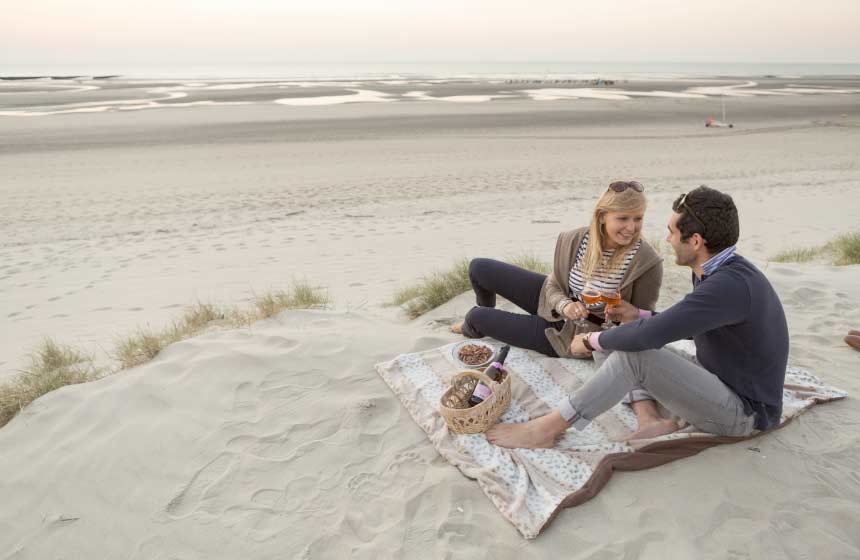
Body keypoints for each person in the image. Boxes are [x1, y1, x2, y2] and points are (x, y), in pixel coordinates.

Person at [486, 185, 790, 448]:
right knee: (624, 340)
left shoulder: (727, 286)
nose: (668, 239)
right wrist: (640, 314)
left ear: (695, 241)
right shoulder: (720, 270)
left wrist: (592, 340)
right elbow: (685, 323)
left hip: (745, 415)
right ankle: (650, 419)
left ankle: (545, 430)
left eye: (673, 232)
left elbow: (652, 334)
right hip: (720, 378)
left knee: (633, 353)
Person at [451, 180, 664, 428]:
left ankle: (473, 327)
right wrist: (564, 305)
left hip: (570, 337)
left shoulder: (647, 262)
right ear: (602, 216)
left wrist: (617, 320)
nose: (631, 228)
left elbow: (640, 327)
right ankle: (483, 322)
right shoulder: (575, 240)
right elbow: (553, 284)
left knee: (477, 317)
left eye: (638, 219)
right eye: (623, 218)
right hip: (558, 304)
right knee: (479, 268)